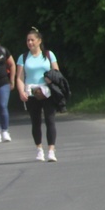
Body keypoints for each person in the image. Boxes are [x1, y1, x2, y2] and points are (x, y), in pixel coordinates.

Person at [16, 27, 61, 162]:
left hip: (47, 92)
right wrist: (21, 91)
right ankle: (39, 149)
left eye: (32, 40)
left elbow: (56, 72)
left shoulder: (48, 54)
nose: (30, 43)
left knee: (50, 120)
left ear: (39, 41)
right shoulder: (23, 57)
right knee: (35, 121)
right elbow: (19, 77)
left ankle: (51, 150)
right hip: (31, 92)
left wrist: (52, 81)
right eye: (28, 40)